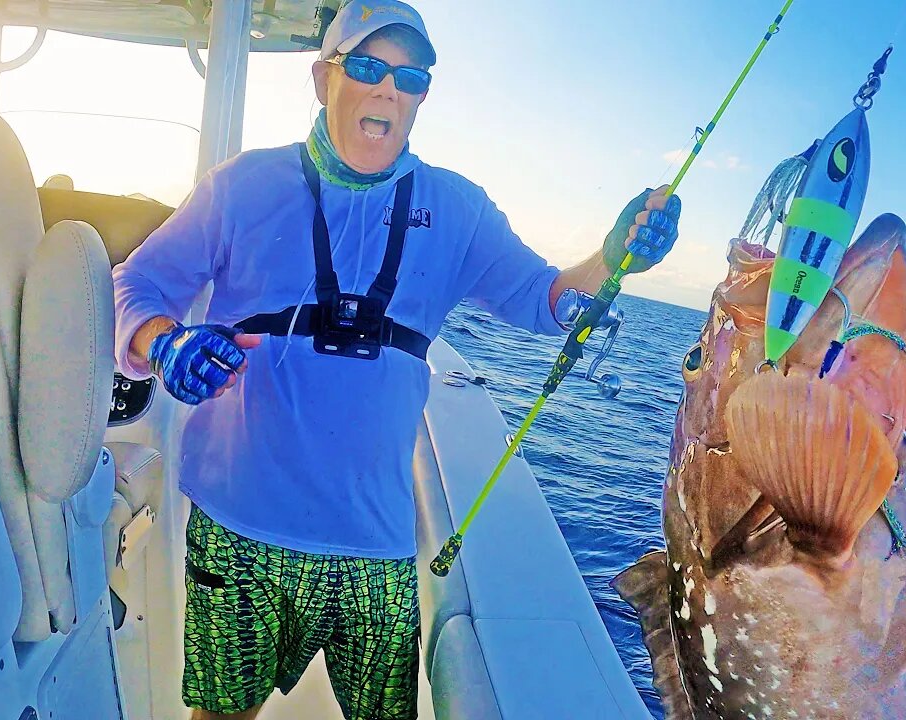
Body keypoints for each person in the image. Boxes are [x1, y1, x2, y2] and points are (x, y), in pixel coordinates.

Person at [112, 2, 681, 718]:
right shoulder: (242, 184)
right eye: (369, 66)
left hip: (374, 541)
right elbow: (135, 283)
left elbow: (545, 301)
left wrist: (616, 255)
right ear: (324, 79)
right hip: (238, 524)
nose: (389, 88)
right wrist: (165, 342)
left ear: (421, 97)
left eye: (410, 76)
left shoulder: (458, 208)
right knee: (221, 713)